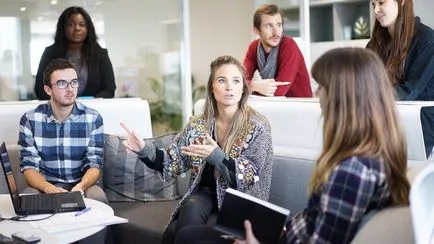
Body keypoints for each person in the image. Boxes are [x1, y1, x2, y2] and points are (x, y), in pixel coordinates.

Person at [176, 48, 411, 244]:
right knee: (187, 230)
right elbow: (316, 223)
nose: (317, 94)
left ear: (344, 97)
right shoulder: (372, 156)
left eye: (322, 86)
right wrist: (283, 228)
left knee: (189, 237)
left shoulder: (352, 172)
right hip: (286, 233)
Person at [121, 55, 273, 244]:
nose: (229, 87)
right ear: (212, 87)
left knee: (173, 233)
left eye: (236, 81)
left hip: (240, 201)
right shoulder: (198, 125)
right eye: (221, 80)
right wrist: (144, 149)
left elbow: (250, 177)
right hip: (205, 194)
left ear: (243, 87)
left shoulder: (258, 126)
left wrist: (217, 156)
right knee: (191, 205)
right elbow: (173, 160)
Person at [19, 58, 107, 204]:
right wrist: (49, 189)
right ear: (48, 89)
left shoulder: (93, 118)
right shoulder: (30, 120)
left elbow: (94, 165)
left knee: (98, 198)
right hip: (45, 186)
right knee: (28, 198)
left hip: (82, 185)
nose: (70, 89)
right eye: (61, 83)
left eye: (74, 82)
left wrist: (80, 187)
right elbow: (29, 168)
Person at [367, 0, 434, 157]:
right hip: (387, 128)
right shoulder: (376, 43)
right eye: (373, 4)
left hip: (420, 133)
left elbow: (409, 92)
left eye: (381, 2)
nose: (376, 10)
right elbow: (362, 80)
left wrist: (365, 97)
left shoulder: (427, 39)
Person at [34, 6, 116, 100]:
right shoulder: (50, 53)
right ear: (63, 28)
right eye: (71, 25)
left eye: (82, 24)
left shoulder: (101, 54)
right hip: (58, 110)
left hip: (92, 110)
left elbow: (109, 89)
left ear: (88, 28)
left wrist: (89, 104)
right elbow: (40, 89)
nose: (77, 28)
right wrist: (64, 102)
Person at [243, 4, 312, 97]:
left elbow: (279, 91)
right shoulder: (254, 47)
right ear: (256, 30)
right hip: (275, 105)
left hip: (300, 105)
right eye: (269, 26)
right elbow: (240, 82)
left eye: (279, 25)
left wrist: (252, 87)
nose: (276, 32)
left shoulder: (288, 45)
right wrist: (255, 85)